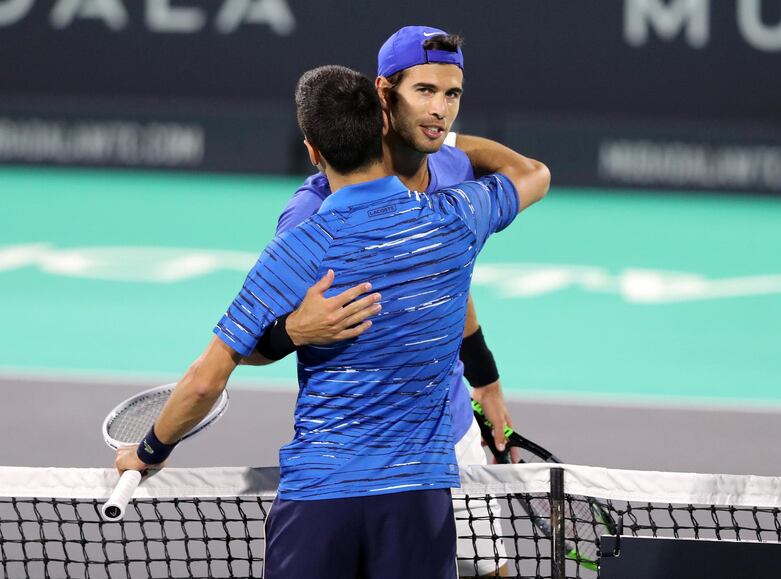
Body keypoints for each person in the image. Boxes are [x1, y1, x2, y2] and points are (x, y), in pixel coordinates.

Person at [115, 64, 549, 578]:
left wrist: (149, 452)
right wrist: (445, 134)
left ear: (313, 151)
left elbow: (207, 379)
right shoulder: (456, 218)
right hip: (419, 496)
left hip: (321, 494)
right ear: (382, 128)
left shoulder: (298, 248)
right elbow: (532, 175)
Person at [247, 26, 517, 576]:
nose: (439, 109)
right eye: (424, 92)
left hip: (450, 432)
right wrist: (294, 331)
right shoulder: (313, 212)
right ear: (384, 94)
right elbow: (256, 337)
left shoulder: (448, 167)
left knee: (494, 572)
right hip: (360, 463)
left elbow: (447, 283)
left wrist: (485, 383)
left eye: (451, 95)